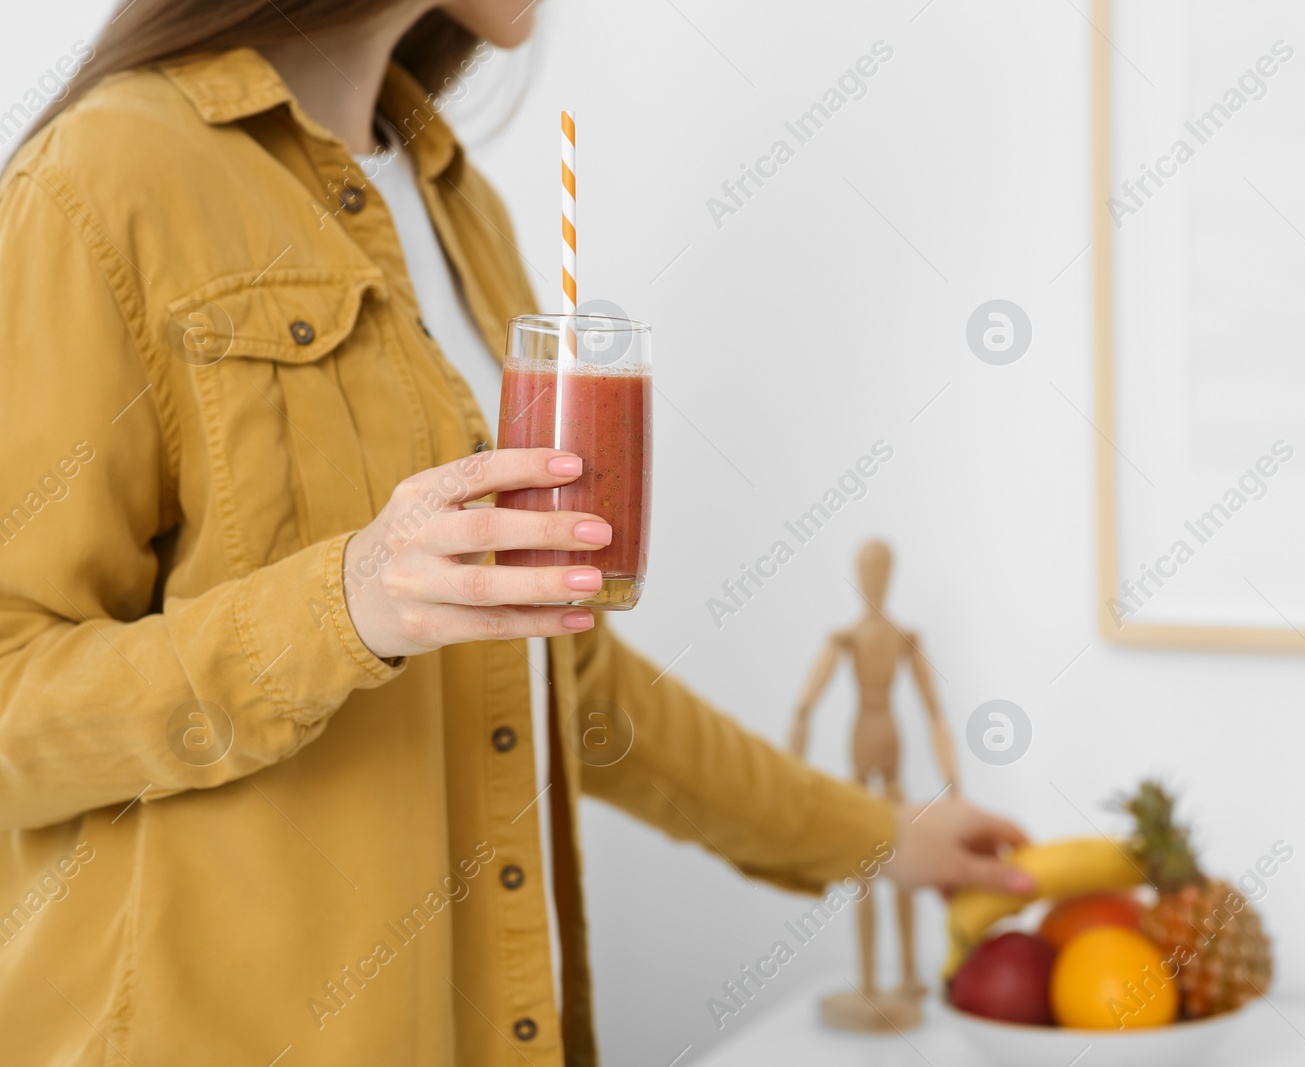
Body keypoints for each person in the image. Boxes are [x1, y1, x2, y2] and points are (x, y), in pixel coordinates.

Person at [0, 2, 1034, 1064]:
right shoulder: (101, 177)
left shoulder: (456, 207)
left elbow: (566, 677)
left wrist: (873, 834)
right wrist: (343, 603)